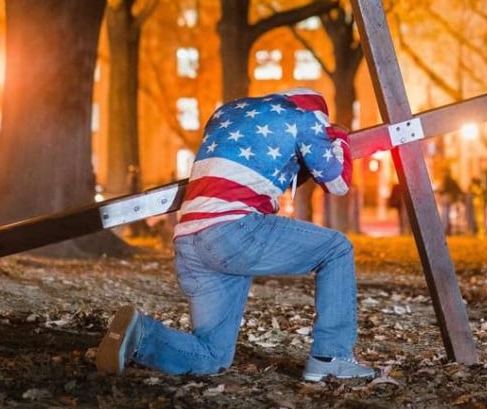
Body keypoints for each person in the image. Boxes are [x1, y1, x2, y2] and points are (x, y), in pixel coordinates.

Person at [95, 88, 375, 382]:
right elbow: (337, 184)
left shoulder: (227, 113)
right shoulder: (307, 116)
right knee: (336, 249)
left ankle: (139, 335)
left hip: (189, 240)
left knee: (212, 356)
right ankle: (331, 357)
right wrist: (338, 137)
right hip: (233, 232)